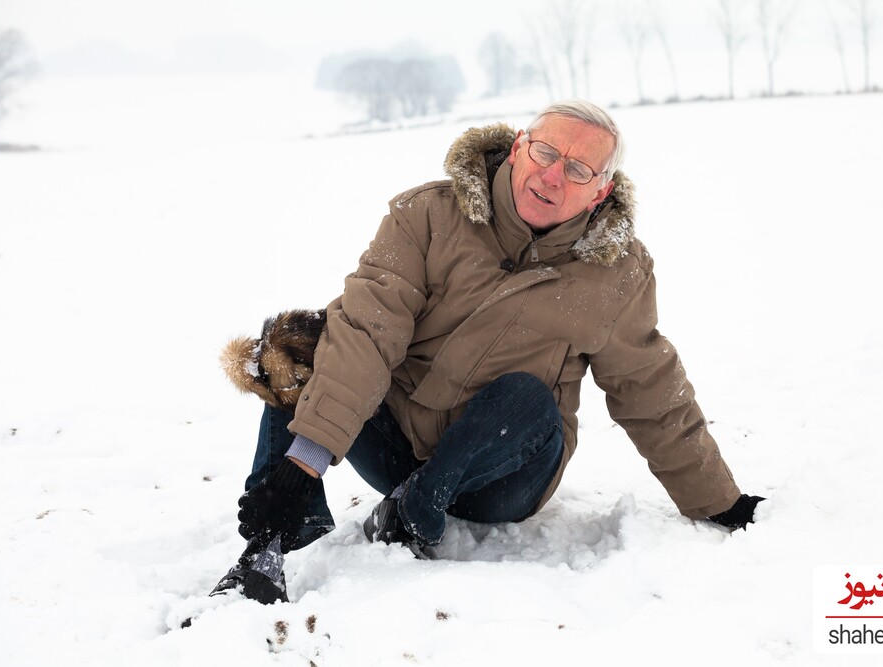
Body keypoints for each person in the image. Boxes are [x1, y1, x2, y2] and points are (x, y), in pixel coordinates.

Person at [213, 100, 764, 603]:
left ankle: (412, 512)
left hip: (503, 472)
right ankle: (266, 548)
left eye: (578, 169)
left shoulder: (616, 272)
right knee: (305, 346)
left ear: (602, 190)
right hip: (395, 444)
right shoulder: (427, 216)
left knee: (525, 396)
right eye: (546, 153)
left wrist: (717, 499)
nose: (552, 176)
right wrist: (304, 463)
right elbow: (367, 332)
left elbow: (648, 386)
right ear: (520, 145)